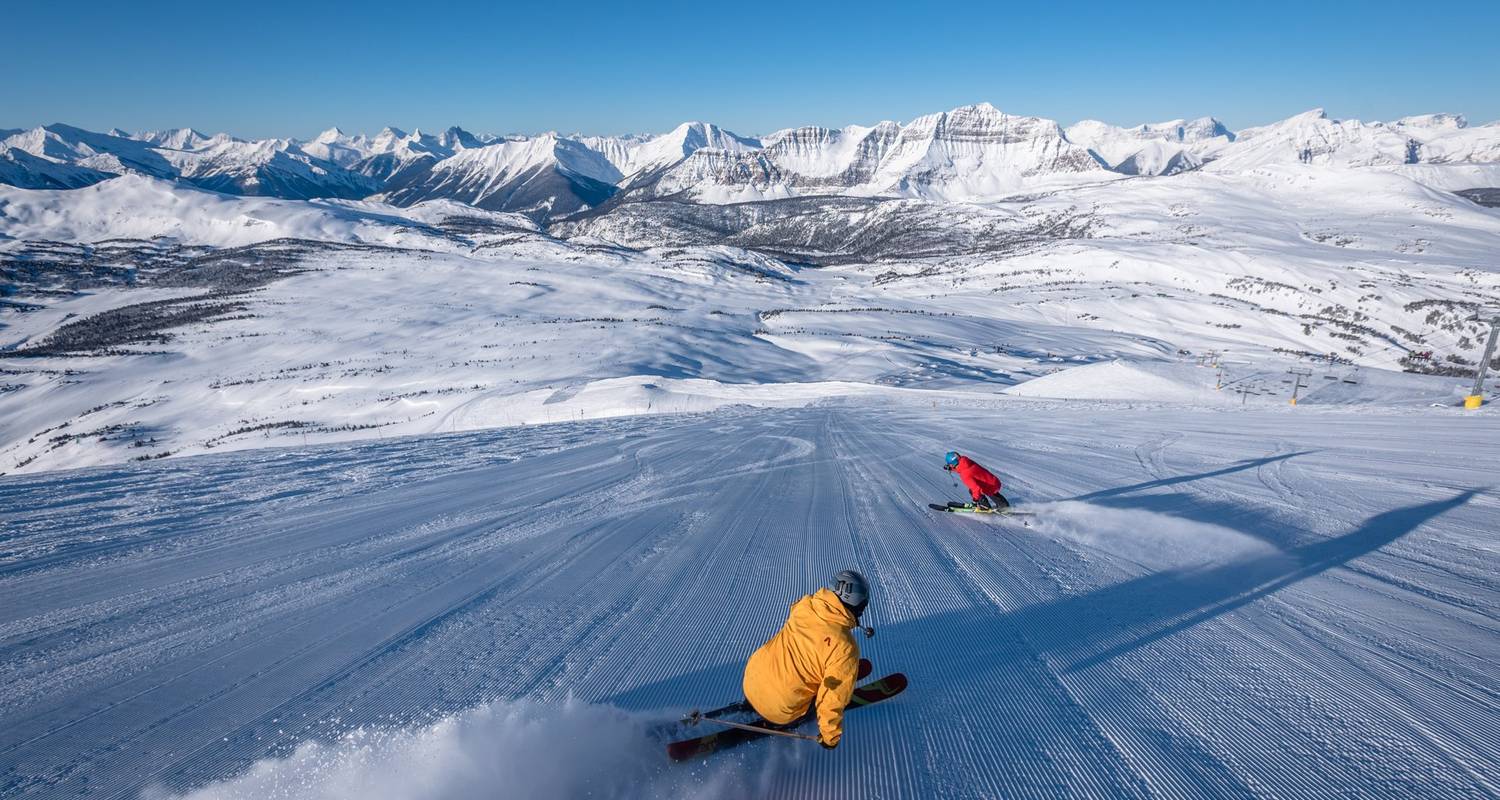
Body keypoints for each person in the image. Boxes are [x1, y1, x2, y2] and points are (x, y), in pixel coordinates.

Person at [741, 570, 869, 749]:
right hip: (780, 709)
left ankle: (760, 696)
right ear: (857, 604)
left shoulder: (805, 604)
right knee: (827, 683)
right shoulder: (845, 648)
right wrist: (829, 736)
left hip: (751, 679)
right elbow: (831, 699)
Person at [945, 451, 1009, 510]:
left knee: (974, 491)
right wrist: (952, 469)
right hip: (992, 480)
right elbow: (961, 468)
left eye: (950, 464)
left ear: (953, 463)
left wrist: (975, 501)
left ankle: (985, 506)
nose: (949, 465)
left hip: (988, 485)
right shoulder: (966, 461)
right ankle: (1004, 505)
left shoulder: (965, 474)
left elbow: (976, 489)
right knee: (991, 492)